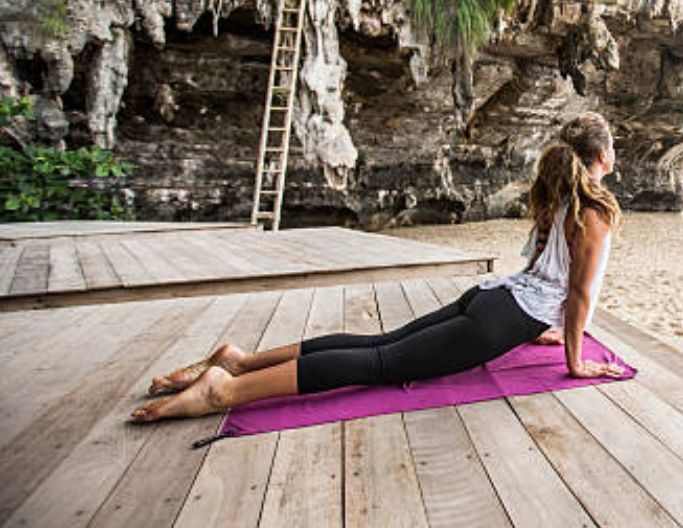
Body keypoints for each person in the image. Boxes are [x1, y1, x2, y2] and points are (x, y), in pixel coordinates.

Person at [130, 112, 625, 423]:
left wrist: (539, 328)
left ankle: (241, 360)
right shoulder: (595, 210)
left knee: (377, 344)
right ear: (603, 156)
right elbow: (577, 294)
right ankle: (227, 390)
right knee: (382, 364)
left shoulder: (559, 197)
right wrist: (574, 361)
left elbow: (543, 273)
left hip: (492, 298)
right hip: (504, 314)